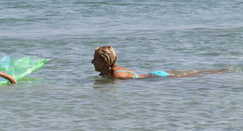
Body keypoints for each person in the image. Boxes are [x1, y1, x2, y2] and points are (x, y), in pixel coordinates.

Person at [91, 46, 229, 79]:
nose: (92, 62)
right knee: (194, 72)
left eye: (95, 59)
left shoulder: (116, 75)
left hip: (157, 76)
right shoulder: (107, 73)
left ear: (105, 61)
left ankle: (222, 71)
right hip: (155, 73)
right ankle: (223, 70)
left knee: (192, 75)